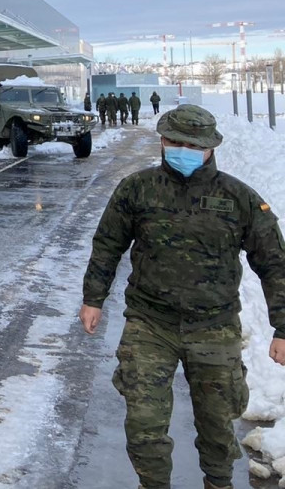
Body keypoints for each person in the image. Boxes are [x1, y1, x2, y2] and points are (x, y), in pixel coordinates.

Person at [78, 105, 285, 489]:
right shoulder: (137, 189)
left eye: (192, 145)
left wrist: (283, 327)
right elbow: (108, 244)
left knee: (218, 424)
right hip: (150, 323)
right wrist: (94, 297)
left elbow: (274, 262)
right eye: (175, 142)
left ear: (210, 147)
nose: (182, 150)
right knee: (144, 424)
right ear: (162, 140)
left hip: (214, 326)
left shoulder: (238, 197)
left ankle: (219, 484)